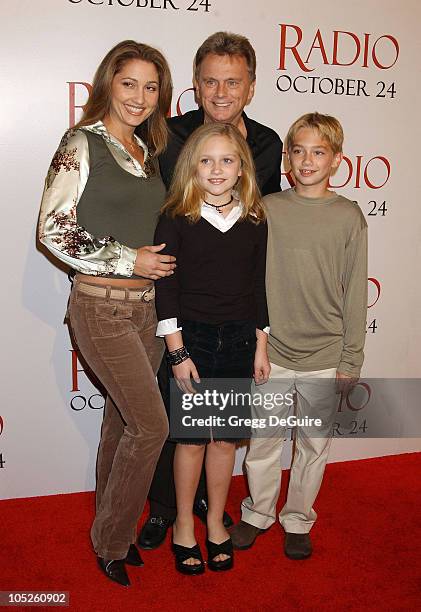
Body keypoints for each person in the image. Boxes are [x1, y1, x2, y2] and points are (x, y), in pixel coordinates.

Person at [139, 30, 283, 551]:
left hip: (240, 328)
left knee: (222, 437)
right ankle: (167, 514)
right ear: (196, 86)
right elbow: (163, 224)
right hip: (184, 317)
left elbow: (255, 257)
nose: (221, 92)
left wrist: (261, 338)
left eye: (233, 81)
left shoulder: (268, 145)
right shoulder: (168, 134)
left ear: (250, 86)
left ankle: (211, 514)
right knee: (178, 431)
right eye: (211, 81)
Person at [38, 40, 175, 587]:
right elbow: (53, 228)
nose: (140, 96)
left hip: (148, 311)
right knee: (152, 426)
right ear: (107, 84)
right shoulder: (82, 143)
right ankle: (112, 540)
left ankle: (106, 529)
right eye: (129, 83)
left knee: (122, 424)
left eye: (150, 86)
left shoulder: (145, 152)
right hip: (100, 306)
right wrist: (129, 256)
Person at [230, 113, 368, 560]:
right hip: (271, 351)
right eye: (299, 150)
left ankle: (298, 518)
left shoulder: (349, 216)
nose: (307, 161)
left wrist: (351, 359)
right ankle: (257, 514)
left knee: (313, 446)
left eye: (319, 152)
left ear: (336, 160)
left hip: (326, 352)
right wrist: (256, 343)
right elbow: (249, 281)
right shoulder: (268, 208)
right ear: (287, 157)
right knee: (264, 442)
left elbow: (355, 290)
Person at [153, 122, 270, 573]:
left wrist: (260, 343)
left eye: (227, 160)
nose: (216, 169)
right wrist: (178, 353)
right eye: (206, 160)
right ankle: (185, 524)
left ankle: (217, 522)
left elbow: (258, 285)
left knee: (223, 443)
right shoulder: (176, 216)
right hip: (193, 342)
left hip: (240, 338)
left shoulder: (255, 218)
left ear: (242, 167)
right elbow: (168, 290)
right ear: (191, 166)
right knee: (191, 442)